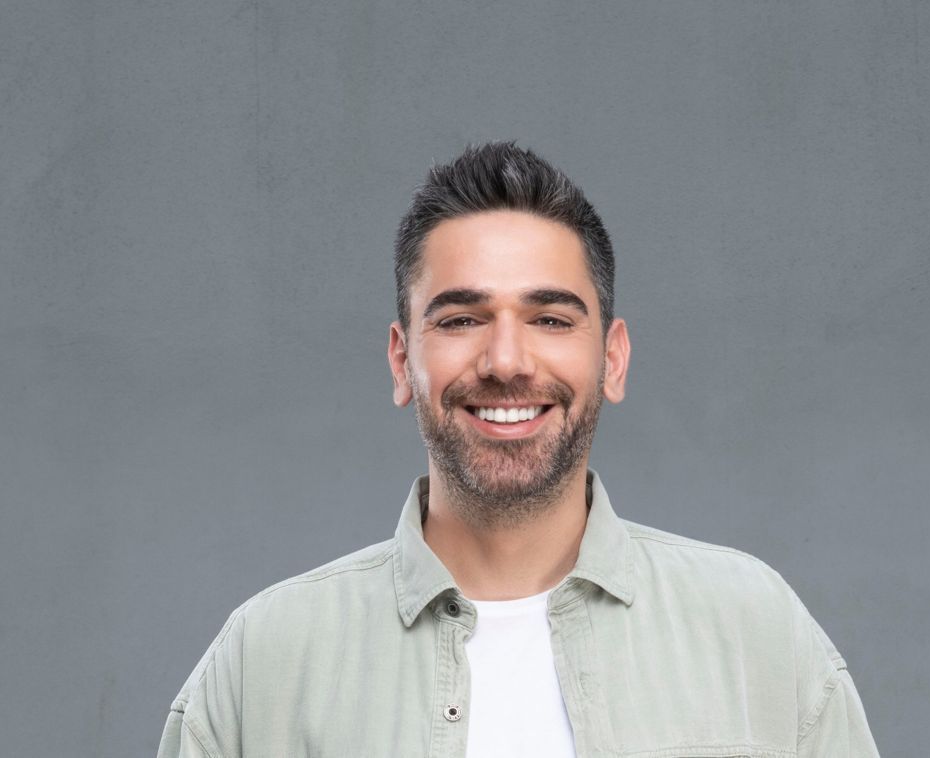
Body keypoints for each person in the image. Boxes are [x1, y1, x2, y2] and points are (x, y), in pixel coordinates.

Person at [158, 142, 880, 758]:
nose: (506, 360)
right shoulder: (264, 662)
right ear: (402, 361)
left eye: (551, 319)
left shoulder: (757, 633)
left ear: (613, 359)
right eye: (462, 319)